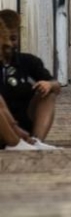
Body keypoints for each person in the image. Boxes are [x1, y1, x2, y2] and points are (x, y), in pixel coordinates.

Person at [0, 12, 60, 150]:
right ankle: (15, 144)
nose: (10, 45)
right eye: (5, 42)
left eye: (13, 39)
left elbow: (56, 85)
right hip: (5, 126)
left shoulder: (28, 61)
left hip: (23, 123)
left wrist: (49, 84)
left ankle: (36, 141)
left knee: (48, 94)